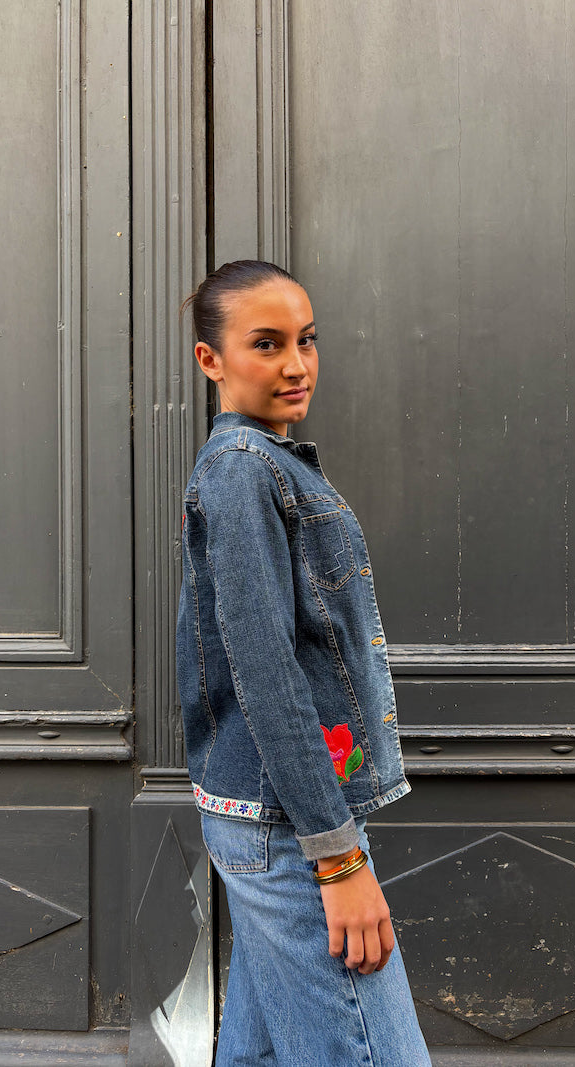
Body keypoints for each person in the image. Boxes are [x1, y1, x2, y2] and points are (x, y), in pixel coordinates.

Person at [177, 260, 429, 1066]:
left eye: (307, 340)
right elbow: (267, 672)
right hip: (287, 823)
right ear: (210, 359)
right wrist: (338, 854)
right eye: (267, 343)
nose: (296, 364)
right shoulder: (243, 469)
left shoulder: (263, 463)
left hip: (270, 810)